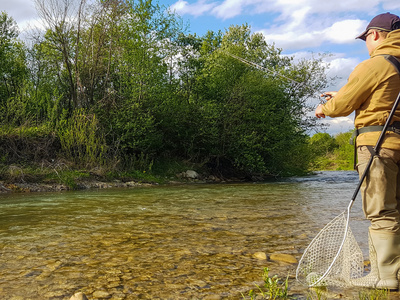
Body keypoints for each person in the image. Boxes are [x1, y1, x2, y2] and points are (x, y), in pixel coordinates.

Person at [315, 12, 400, 289]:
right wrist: (340, 94)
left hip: (378, 148)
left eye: (366, 38)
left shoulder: (375, 64)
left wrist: (325, 107)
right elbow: (378, 96)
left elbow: (342, 106)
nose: (366, 43)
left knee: (382, 212)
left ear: (375, 35)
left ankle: (386, 276)